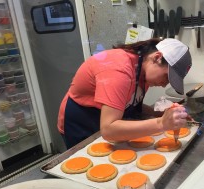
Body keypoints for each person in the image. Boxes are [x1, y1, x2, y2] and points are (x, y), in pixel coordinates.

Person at [58, 38, 192, 149]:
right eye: (166, 77)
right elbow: (109, 129)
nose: (164, 84)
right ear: (157, 58)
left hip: (104, 120)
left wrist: (160, 113)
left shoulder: (142, 70)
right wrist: (161, 123)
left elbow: (127, 102)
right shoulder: (118, 70)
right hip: (82, 122)